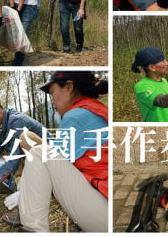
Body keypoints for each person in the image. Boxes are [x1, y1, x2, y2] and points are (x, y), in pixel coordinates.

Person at [13, 71, 108, 232]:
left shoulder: (75, 116)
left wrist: (23, 191)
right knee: (36, 145)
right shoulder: (97, 110)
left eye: (52, 93)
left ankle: (33, 229)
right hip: (106, 200)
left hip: (106, 212)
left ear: (69, 87)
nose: (52, 101)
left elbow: (49, 162)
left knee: (38, 153)